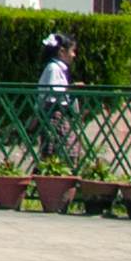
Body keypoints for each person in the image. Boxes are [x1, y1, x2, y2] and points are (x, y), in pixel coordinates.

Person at [33, 30, 77, 166]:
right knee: (54, 150)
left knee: (64, 148)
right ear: (62, 52)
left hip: (58, 114)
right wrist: (72, 89)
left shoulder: (57, 69)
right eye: (72, 51)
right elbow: (53, 93)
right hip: (54, 114)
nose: (74, 55)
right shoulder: (53, 68)